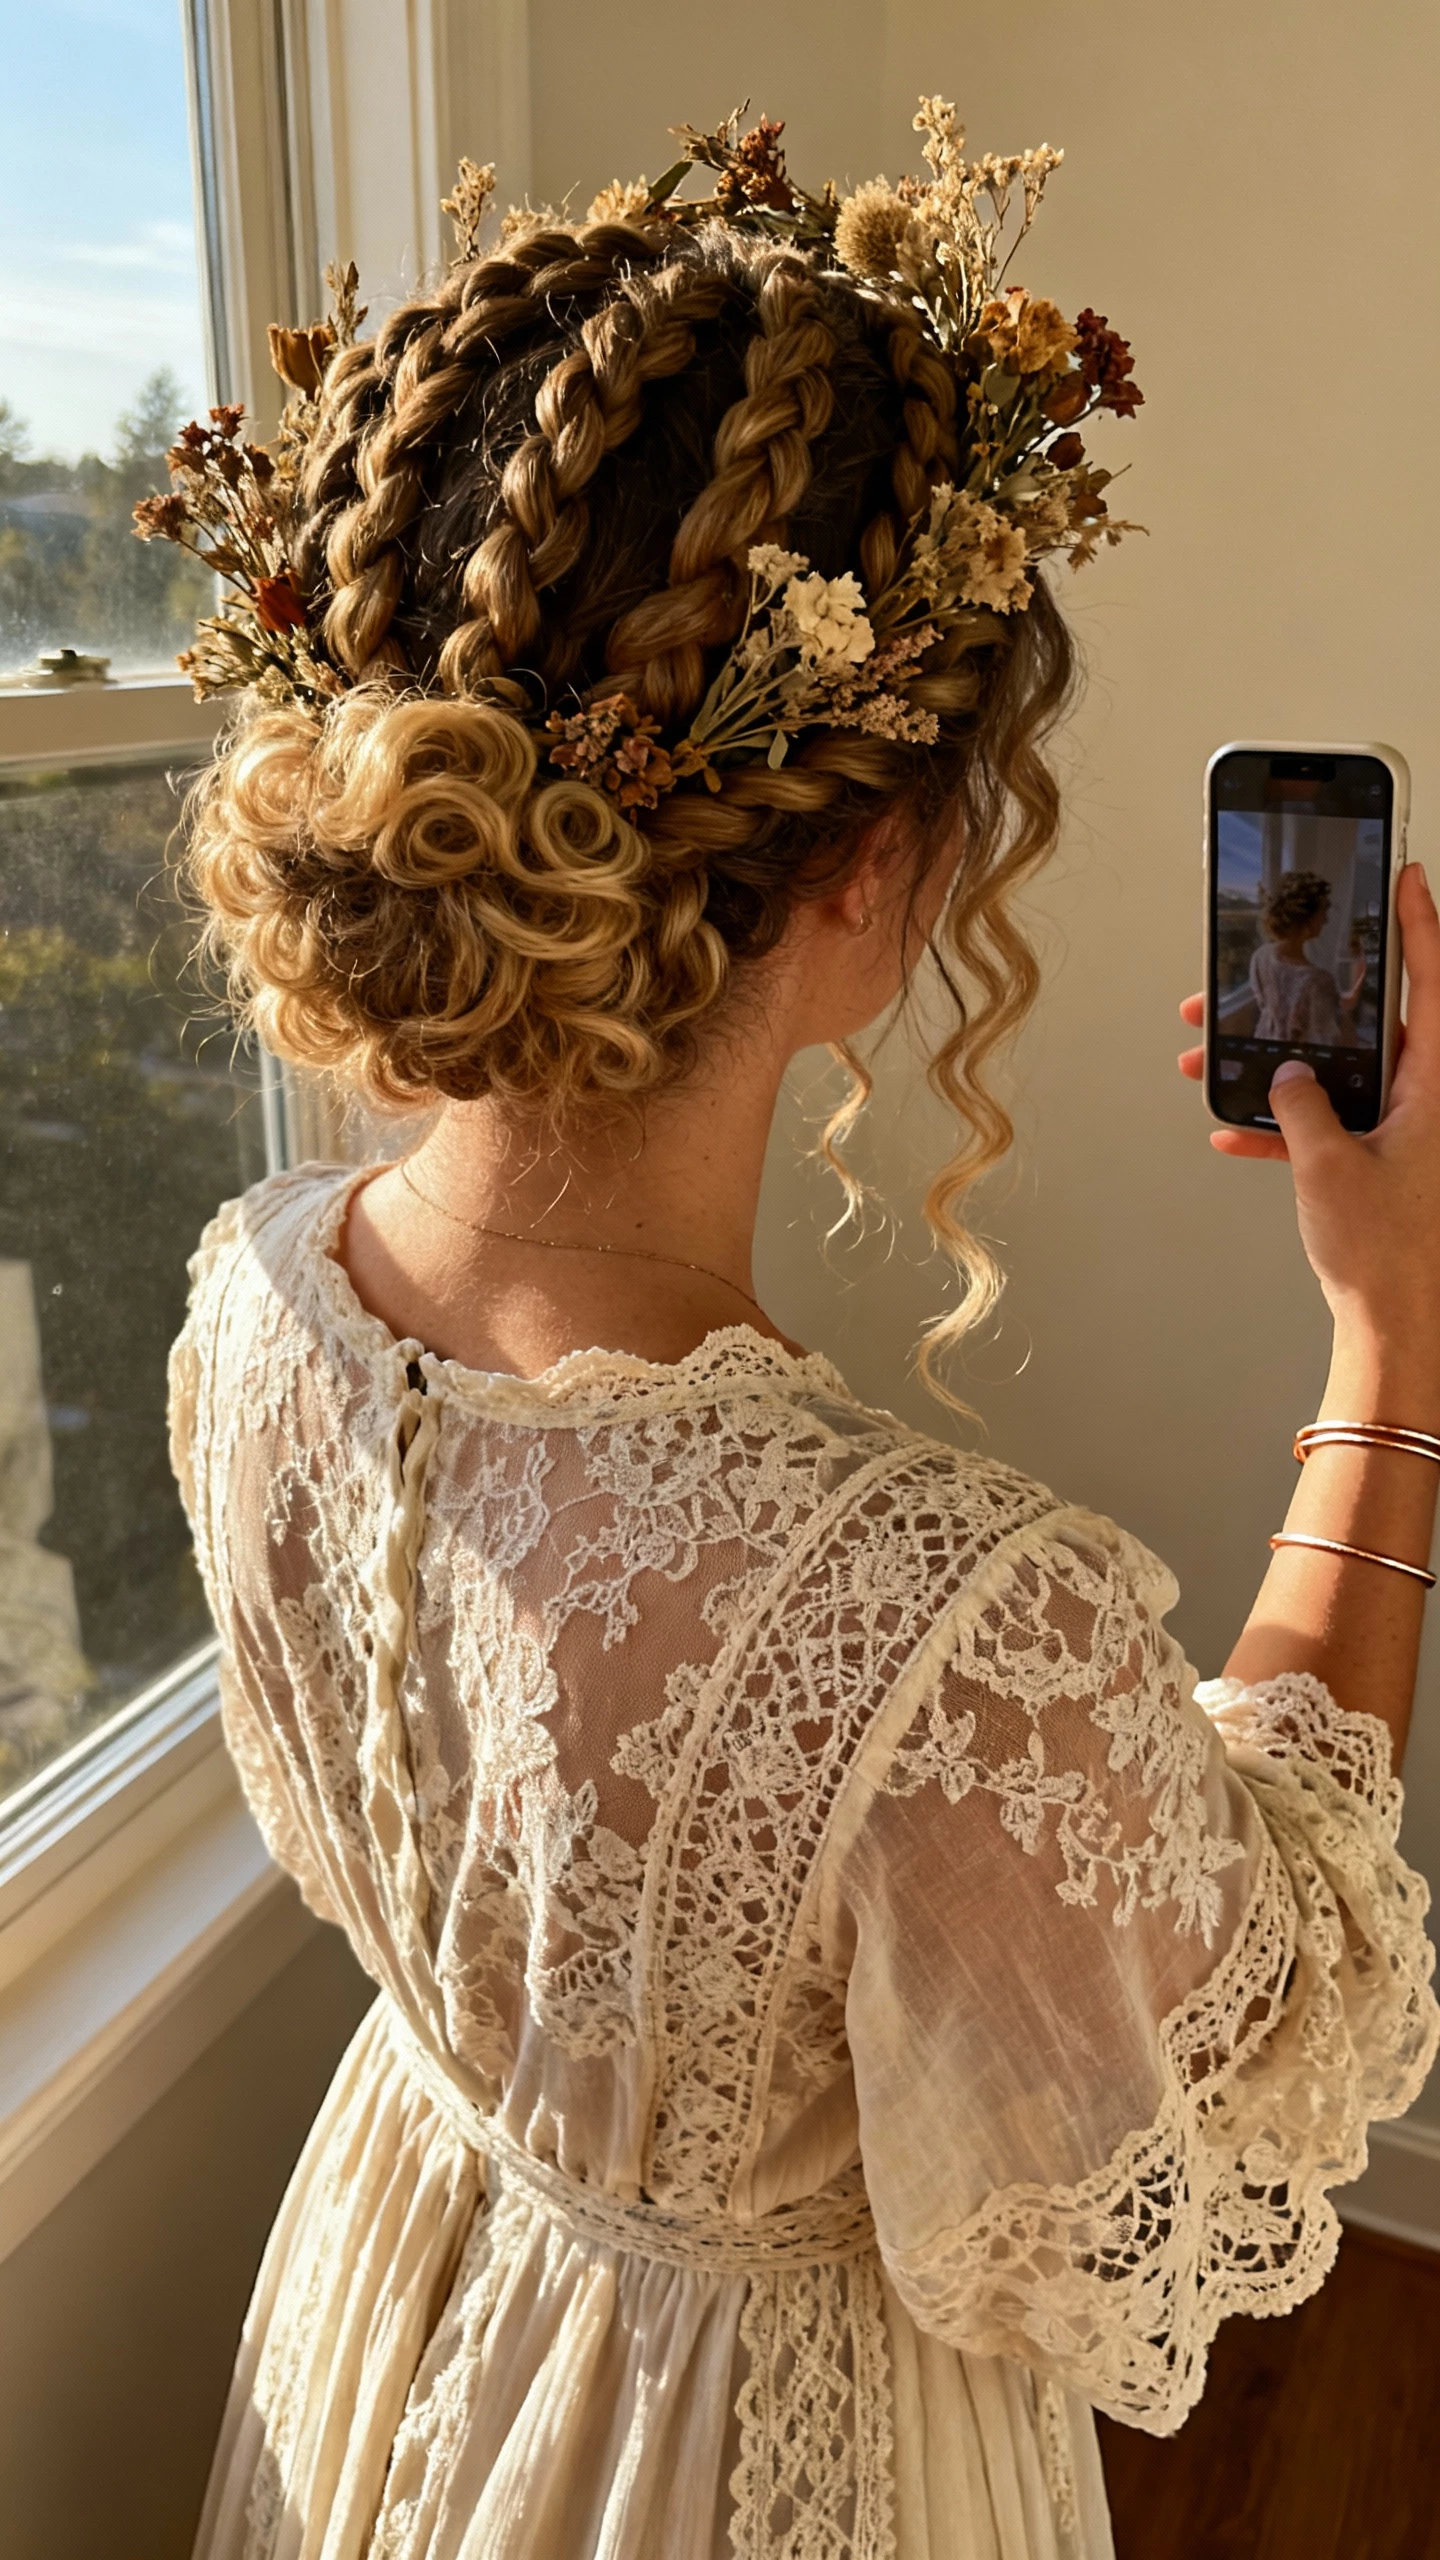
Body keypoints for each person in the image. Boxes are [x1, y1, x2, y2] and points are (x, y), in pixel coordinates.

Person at [148, 107, 1439, 2560]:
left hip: (416, 2283)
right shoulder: (941, 1628)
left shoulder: (259, 1304)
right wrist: (1392, 1347)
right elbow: (1252, 2053)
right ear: (864, 863)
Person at [1249, 869, 1348, 1044]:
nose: (1325, 919)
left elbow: (1263, 1003)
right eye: (1322, 911)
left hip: (1263, 1044)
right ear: (1307, 918)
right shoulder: (1319, 981)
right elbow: (1325, 1040)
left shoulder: (1260, 956)